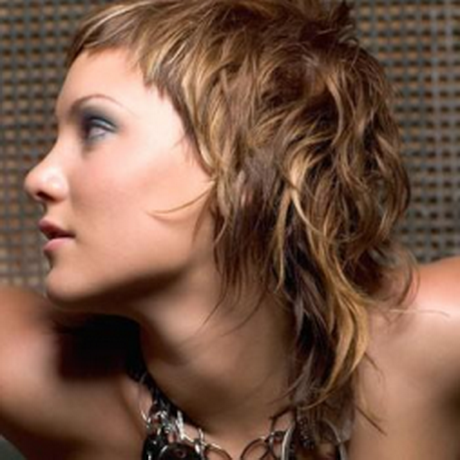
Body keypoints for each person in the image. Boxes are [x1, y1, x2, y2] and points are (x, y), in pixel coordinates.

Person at [0, 0, 459, 459]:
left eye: (96, 128)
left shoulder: (434, 334)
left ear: (245, 166)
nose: (38, 177)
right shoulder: (36, 374)